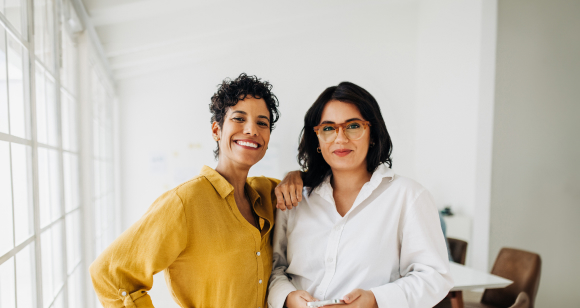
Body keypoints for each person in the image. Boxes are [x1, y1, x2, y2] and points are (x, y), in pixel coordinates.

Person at [90, 73, 299, 308]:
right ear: (216, 131)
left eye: (262, 123)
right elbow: (108, 274)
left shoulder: (268, 191)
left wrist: (295, 175)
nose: (252, 129)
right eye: (239, 118)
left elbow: (323, 182)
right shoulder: (185, 202)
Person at [268, 82, 453, 308]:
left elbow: (434, 277)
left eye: (353, 126)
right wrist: (288, 298)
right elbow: (276, 268)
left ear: (372, 133)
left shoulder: (408, 196)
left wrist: (376, 300)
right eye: (328, 128)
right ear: (317, 139)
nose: (340, 138)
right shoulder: (296, 198)